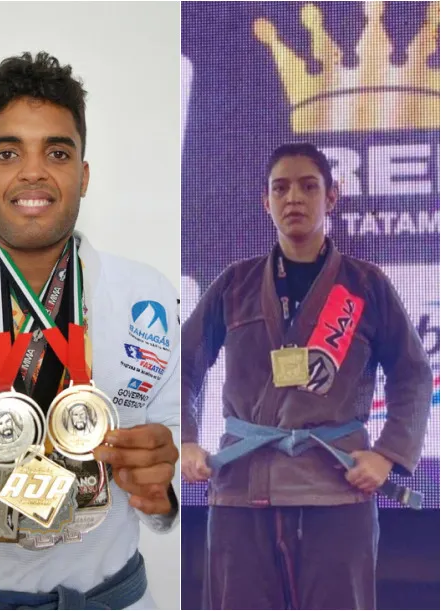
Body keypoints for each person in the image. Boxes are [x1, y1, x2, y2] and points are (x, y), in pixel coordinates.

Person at [0, 51, 180, 609]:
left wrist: (168, 487)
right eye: (8, 151)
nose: (33, 171)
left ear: (83, 176)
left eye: (57, 152)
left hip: (113, 598)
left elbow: (183, 451)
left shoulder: (148, 297)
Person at [180, 142, 431, 609]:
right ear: (266, 201)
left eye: (308, 186)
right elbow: (185, 361)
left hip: (336, 486)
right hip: (243, 486)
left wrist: (388, 455)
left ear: (331, 197)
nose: (293, 197)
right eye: (281, 188)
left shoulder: (365, 285)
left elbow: (413, 375)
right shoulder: (236, 284)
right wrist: (187, 438)